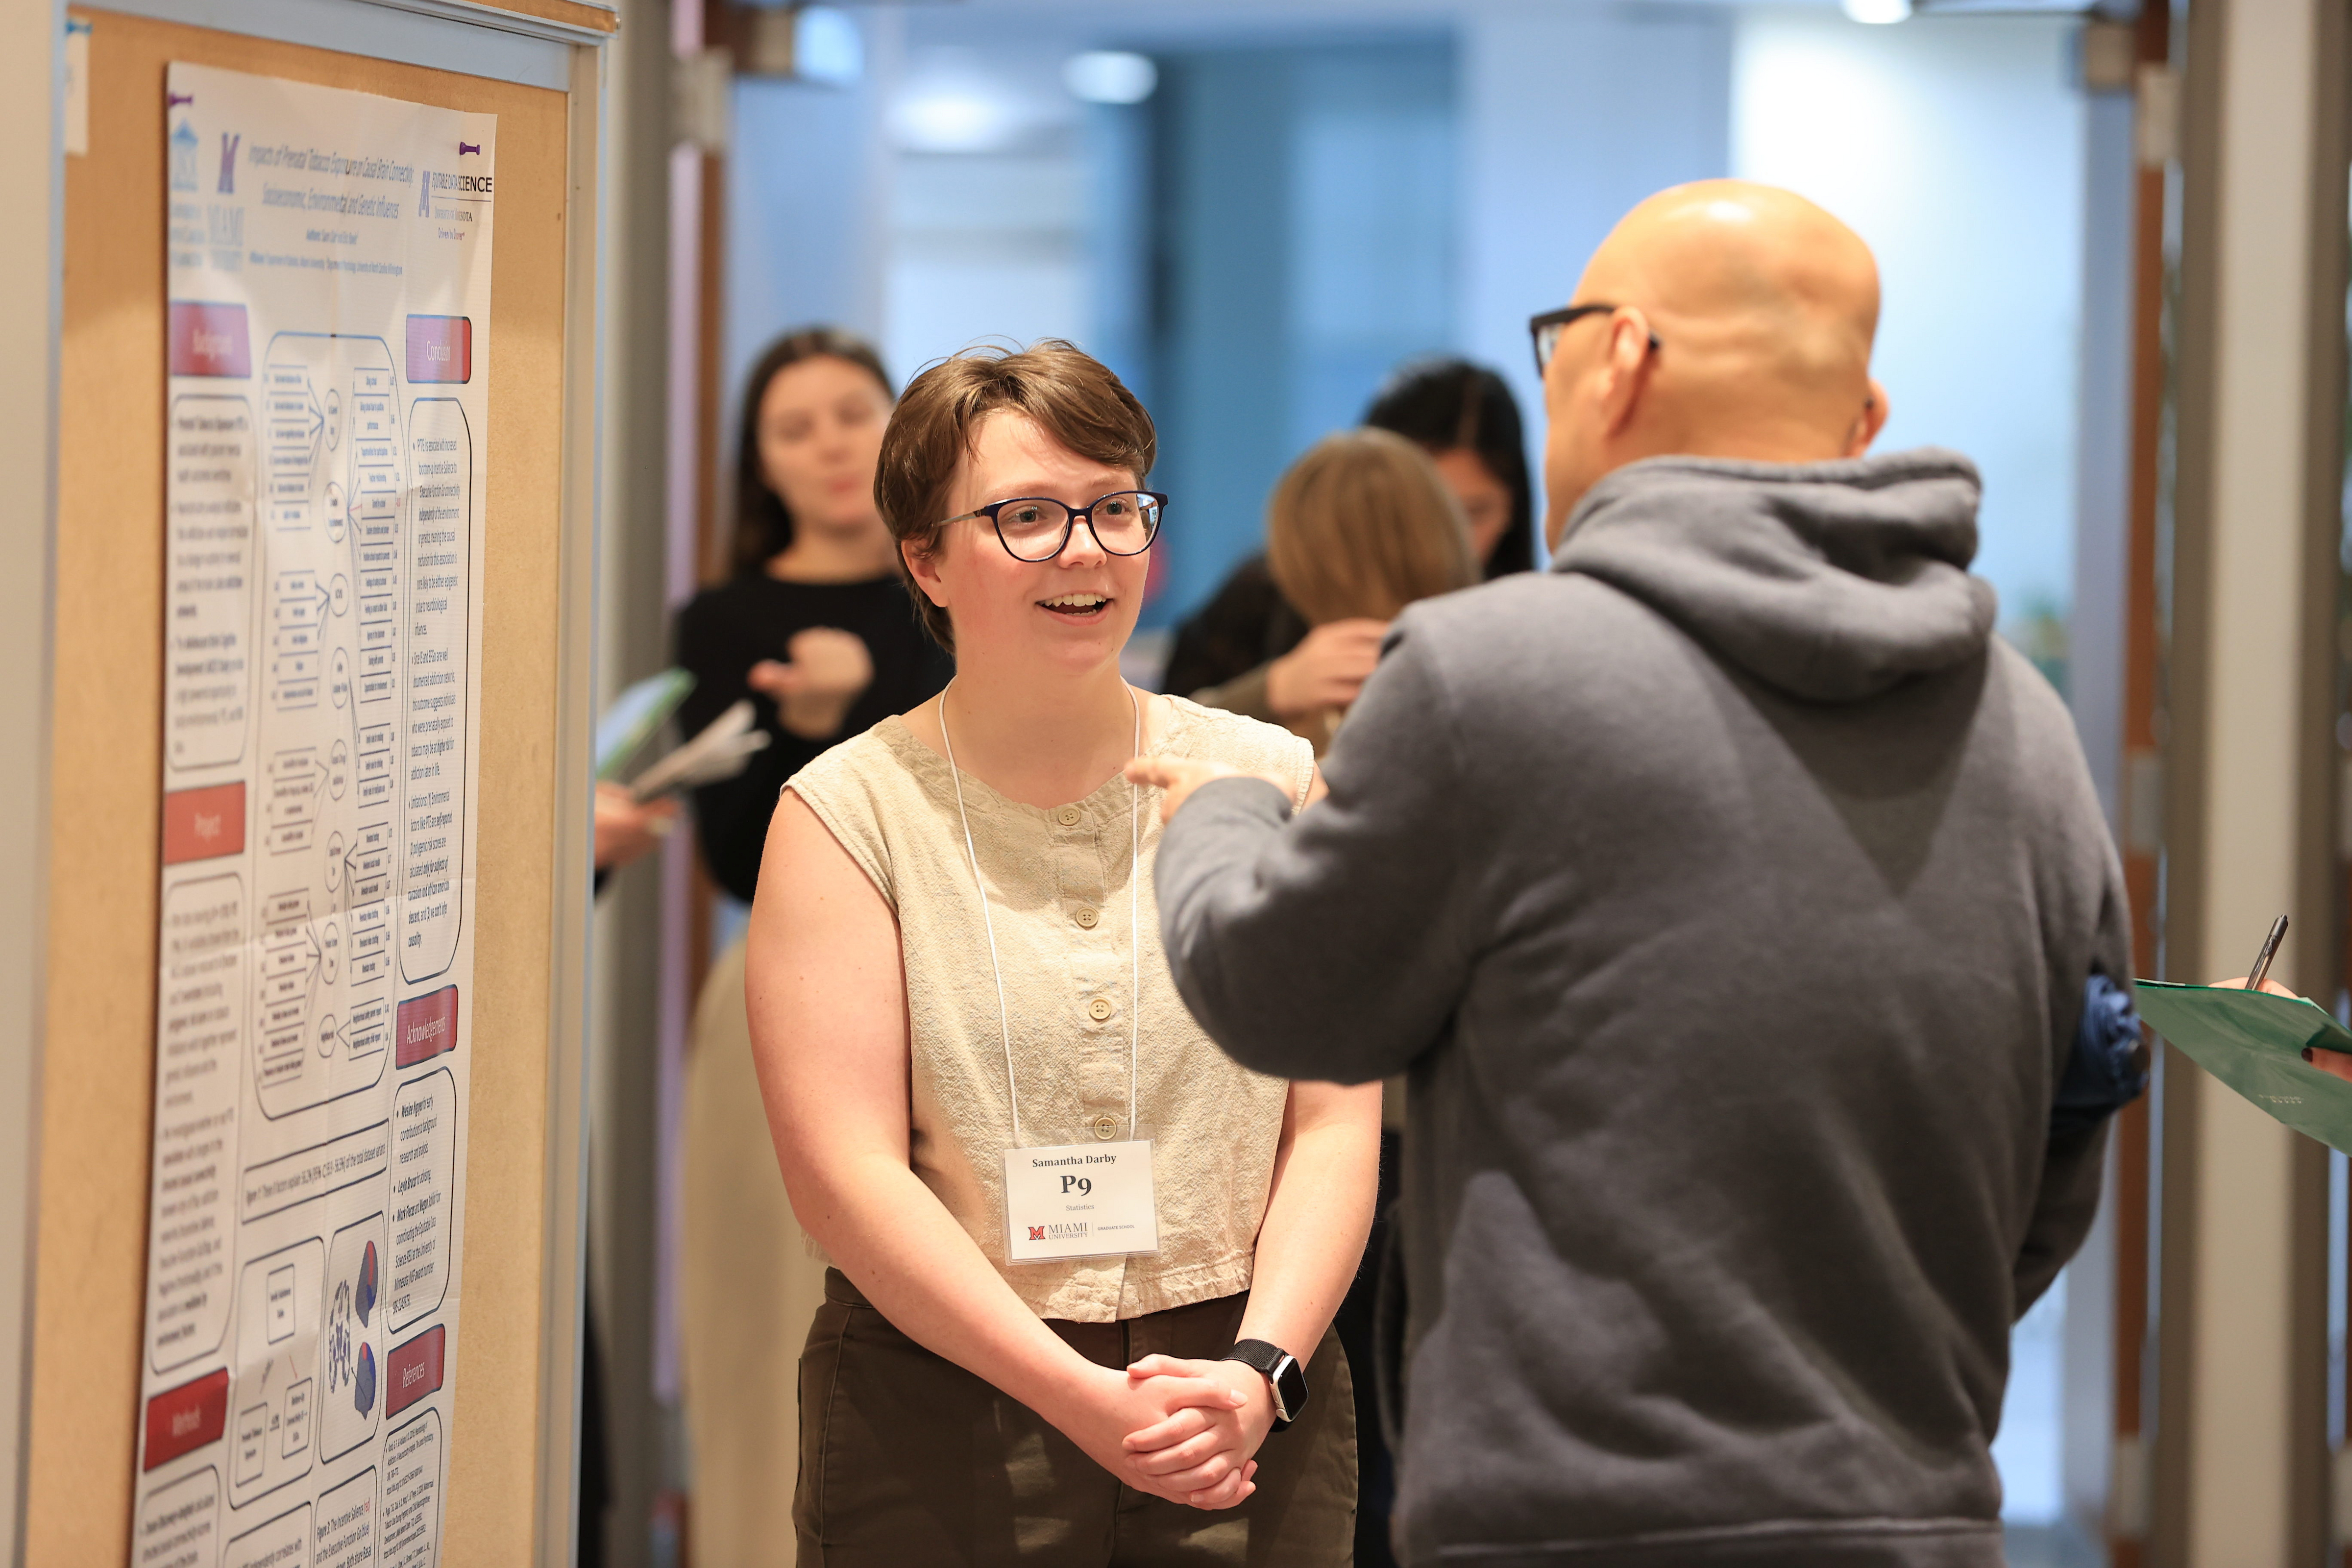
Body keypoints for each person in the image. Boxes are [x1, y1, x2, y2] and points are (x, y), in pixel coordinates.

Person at [1130, 181, 2144, 1566]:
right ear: (1863, 423)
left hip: (1566, 1516)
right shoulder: (2022, 724)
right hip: (1916, 1510)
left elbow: (1278, 990)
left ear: (1617, 357)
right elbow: (2070, 1131)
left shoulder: (1498, 673)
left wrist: (1227, 808)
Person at [745, 341, 1379, 1564]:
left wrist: (1258, 1371)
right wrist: (1075, 1396)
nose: (1082, 551)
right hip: (946, 1402)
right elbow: (845, 1174)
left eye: (1111, 510)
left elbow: (1334, 1123)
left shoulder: (1268, 780)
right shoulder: (845, 812)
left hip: (1239, 1402)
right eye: (1025, 517)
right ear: (924, 559)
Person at [671, 327, 952, 1568]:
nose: (832, 443)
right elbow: (730, 853)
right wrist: (815, 724)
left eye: (853, 412)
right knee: (761, 1325)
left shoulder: (955, 592)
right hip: (775, 998)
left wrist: (864, 693)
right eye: (796, 427)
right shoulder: (724, 622)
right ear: (760, 468)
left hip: (960, 992)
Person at [1159, 359, 1532, 719]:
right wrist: (1271, 692)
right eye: (1410, 509)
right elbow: (1146, 755)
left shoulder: (1527, 632)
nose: (1447, 537)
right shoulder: (1261, 597)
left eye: (1475, 512)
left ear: (1514, 511)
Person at [1197, 429, 1475, 755]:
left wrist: (1268, 691)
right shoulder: (1493, 670)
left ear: (1301, 562)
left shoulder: (1303, 747)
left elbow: (1154, 755)